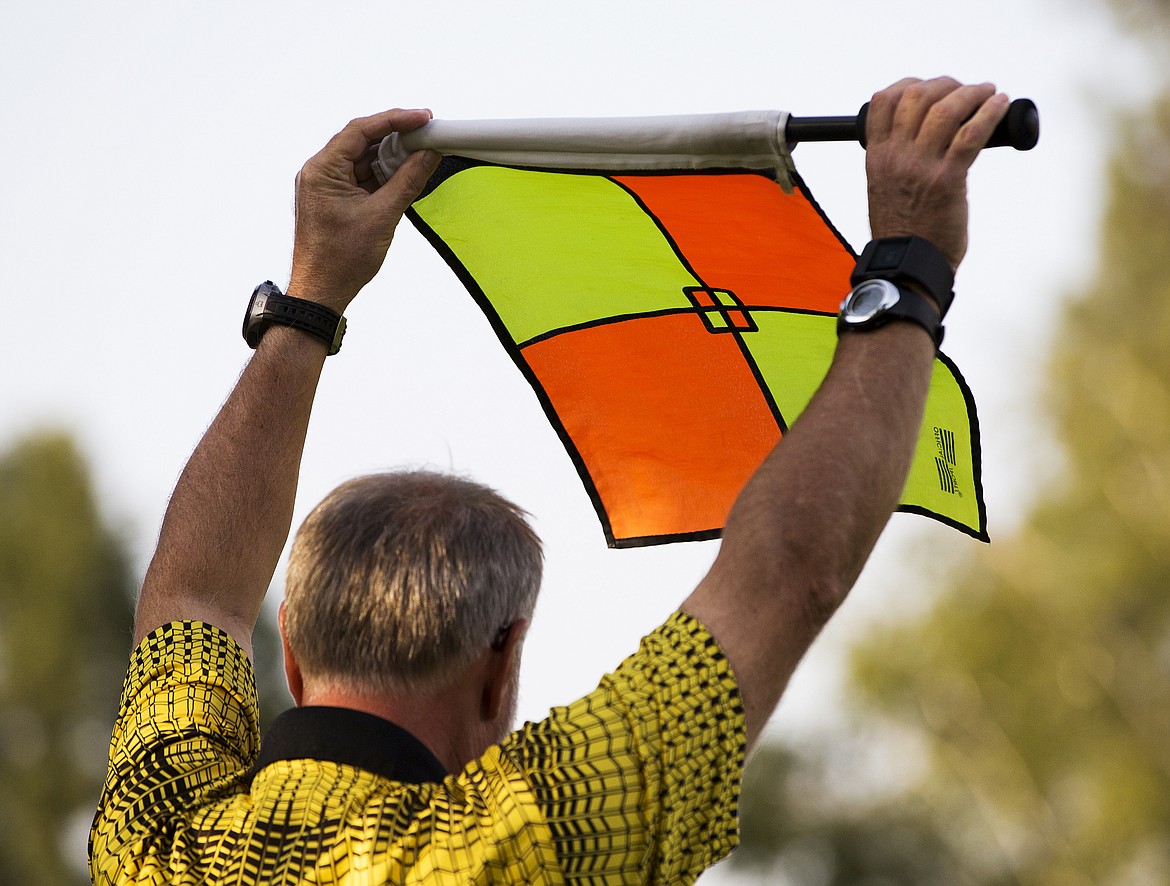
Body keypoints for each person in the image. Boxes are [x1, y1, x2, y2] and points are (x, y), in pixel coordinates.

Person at [90, 77, 1010, 884]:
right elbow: (785, 578)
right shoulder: (533, 843)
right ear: (502, 666)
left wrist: (308, 295)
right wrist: (910, 261)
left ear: (289, 649)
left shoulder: (158, 839)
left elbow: (195, 596)